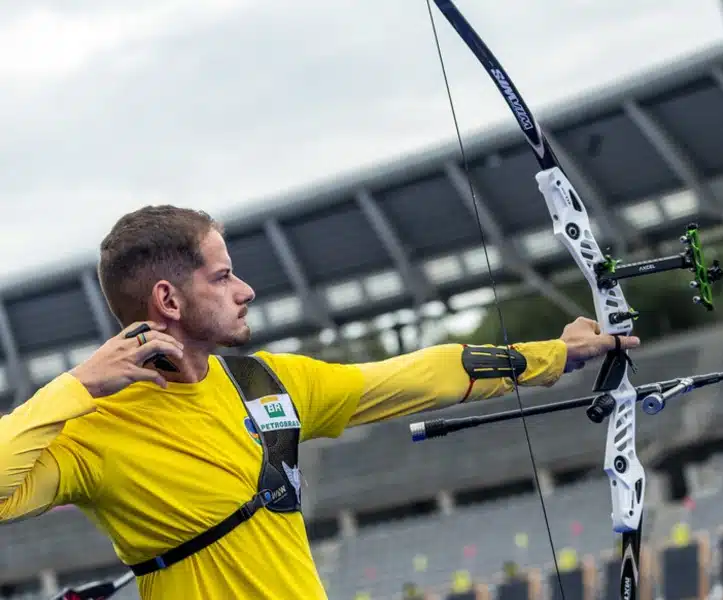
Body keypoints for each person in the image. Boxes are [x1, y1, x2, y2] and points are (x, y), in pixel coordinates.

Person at [0, 205, 640, 599]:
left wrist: (554, 355)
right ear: (168, 300)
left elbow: (415, 376)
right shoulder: (90, 430)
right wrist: (75, 386)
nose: (245, 290)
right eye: (222, 277)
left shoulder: (265, 382)